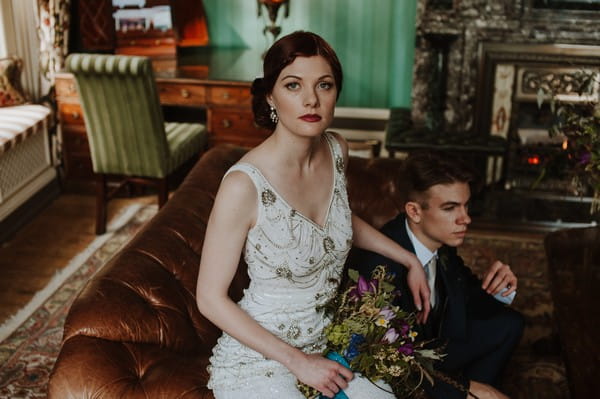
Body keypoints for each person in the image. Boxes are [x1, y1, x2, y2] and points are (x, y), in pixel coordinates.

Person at [195, 31, 431, 398]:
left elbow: (338, 220)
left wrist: (408, 258)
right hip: (261, 358)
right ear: (271, 96)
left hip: (327, 343)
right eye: (293, 85)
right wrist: (298, 362)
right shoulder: (243, 185)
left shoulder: (336, 150)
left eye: (324, 85)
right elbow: (209, 298)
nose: (311, 99)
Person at [354, 151, 524, 399]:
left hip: (434, 344)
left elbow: (464, 296)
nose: (465, 219)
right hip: (400, 364)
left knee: (509, 324)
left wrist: (500, 287)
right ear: (414, 211)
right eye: (450, 208)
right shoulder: (379, 267)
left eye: (466, 206)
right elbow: (387, 364)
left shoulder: (441, 246)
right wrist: (462, 389)